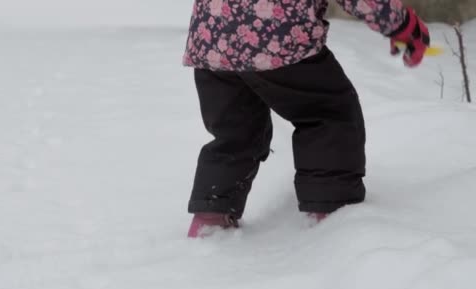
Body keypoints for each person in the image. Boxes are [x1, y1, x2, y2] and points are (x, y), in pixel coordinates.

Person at [183, 0, 430, 238]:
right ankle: (330, 210)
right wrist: (401, 25)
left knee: (236, 131)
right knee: (327, 113)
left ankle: (211, 216)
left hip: (212, 38)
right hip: (274, 34)